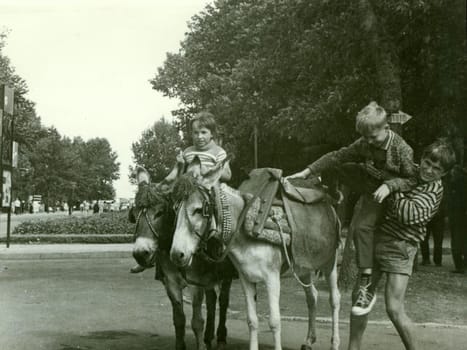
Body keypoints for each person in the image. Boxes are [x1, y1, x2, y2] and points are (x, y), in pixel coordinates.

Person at [287, 101, 417, 315]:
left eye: (373, 137)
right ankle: (332, 192)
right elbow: (338, 155)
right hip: (370, 187)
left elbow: (412, 180)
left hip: (392, 194)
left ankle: (366, 282)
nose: (369, 142)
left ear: (387, 129)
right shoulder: (365, 143)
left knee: (362, 228)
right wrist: (307, 171)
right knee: (339, 163)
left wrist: (390, 185)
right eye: (365, 137)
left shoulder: (402, 149)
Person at [347, 140, 456, 350]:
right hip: (377, 239)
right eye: (427, 162)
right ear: (421, 158)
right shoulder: (410, 172)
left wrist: (391, 186)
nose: (429, 170)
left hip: (401, 248)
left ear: (443, 174)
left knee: (394, 308)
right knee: (359, 299)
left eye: (436, 169)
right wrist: (385, 178)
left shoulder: (434, 190)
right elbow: (382, 176)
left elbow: (408, 214)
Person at [130, 111, 232, 273]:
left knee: (222, 207)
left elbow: (227, 174)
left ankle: (221, 240)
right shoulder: (188, 151)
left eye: (204, 132)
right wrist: (179, 165)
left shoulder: (218, 152)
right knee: (166, 210)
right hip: (189, 191)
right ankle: (152, 253)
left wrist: (207, 169)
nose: (199, 137)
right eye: (195, 133)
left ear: (212, 134)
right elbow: (181, 174)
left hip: (211, 188)